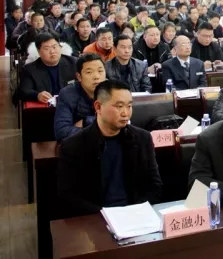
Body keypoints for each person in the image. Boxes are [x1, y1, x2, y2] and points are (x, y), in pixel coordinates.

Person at [57, 79, 162, 216]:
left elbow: (155, 185)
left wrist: (136, 211)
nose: (125, 113)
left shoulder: (143, 138)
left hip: (135, 214)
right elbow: (68, 196)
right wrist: (104, 215)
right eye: (119, 106)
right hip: (96, 217)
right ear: (98, 107)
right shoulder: (73, 145)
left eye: (129, 106)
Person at [54, 54, 107, 141]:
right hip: (79, 145)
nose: (96, 77)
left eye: (100, 71)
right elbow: (62, 131)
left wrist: (86, 121)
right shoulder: (67, 94)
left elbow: (123, 123)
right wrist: (100, 131)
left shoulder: (113, 91)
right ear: (79, 77)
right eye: (89, 72)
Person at [18, 33, 77, 103]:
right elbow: (24, 90)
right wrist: (37, 95)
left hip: (72, 103)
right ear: (39, 51)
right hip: (46, 106)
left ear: (60, 47)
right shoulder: (29, 69)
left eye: (54, 47)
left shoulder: (74, 62)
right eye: (47, 49)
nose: (52, 51)